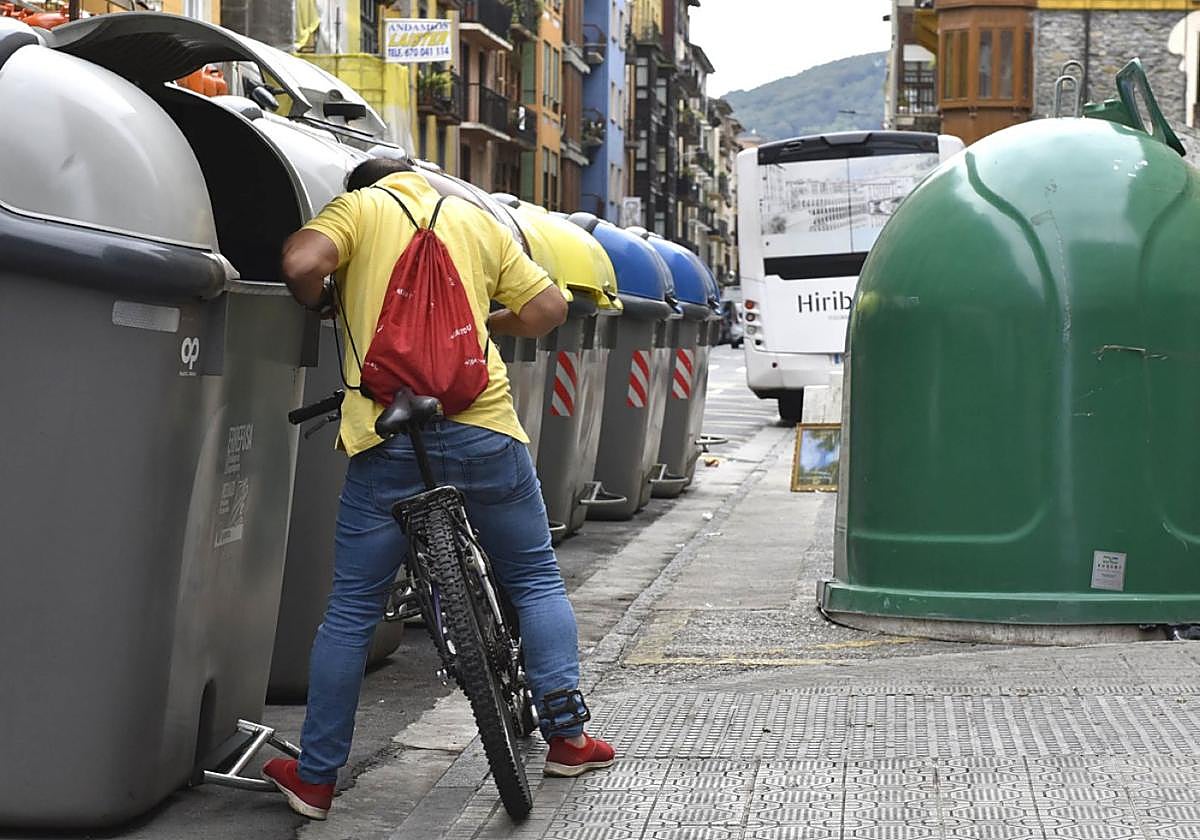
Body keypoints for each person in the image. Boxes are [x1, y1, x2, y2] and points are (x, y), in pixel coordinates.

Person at [262, 157, 615, 820]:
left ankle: (315, 779)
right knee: (535, 579)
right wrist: (489, 323)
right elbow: (548, 308)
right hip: (485, 427)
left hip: (389, 435)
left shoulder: (359, 212)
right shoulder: (474, 219)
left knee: (351, 612)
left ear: (365, 188)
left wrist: (326, 300)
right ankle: (569, 738)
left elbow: (302, 264)